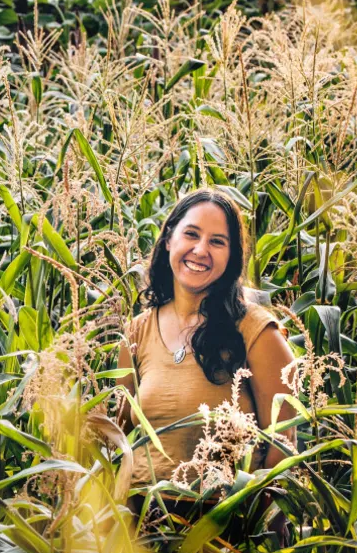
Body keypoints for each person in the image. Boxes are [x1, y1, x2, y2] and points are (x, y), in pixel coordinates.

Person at [116, 188, 296, 486]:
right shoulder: (137, 331)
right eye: (191, 234)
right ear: (169, 239)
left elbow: (283, 446)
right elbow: (118, 435)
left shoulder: (257, 332)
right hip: (142, 511)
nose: (201, 250)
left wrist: (251, 511)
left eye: (217, 242)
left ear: (232, 256)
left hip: (224, 512)